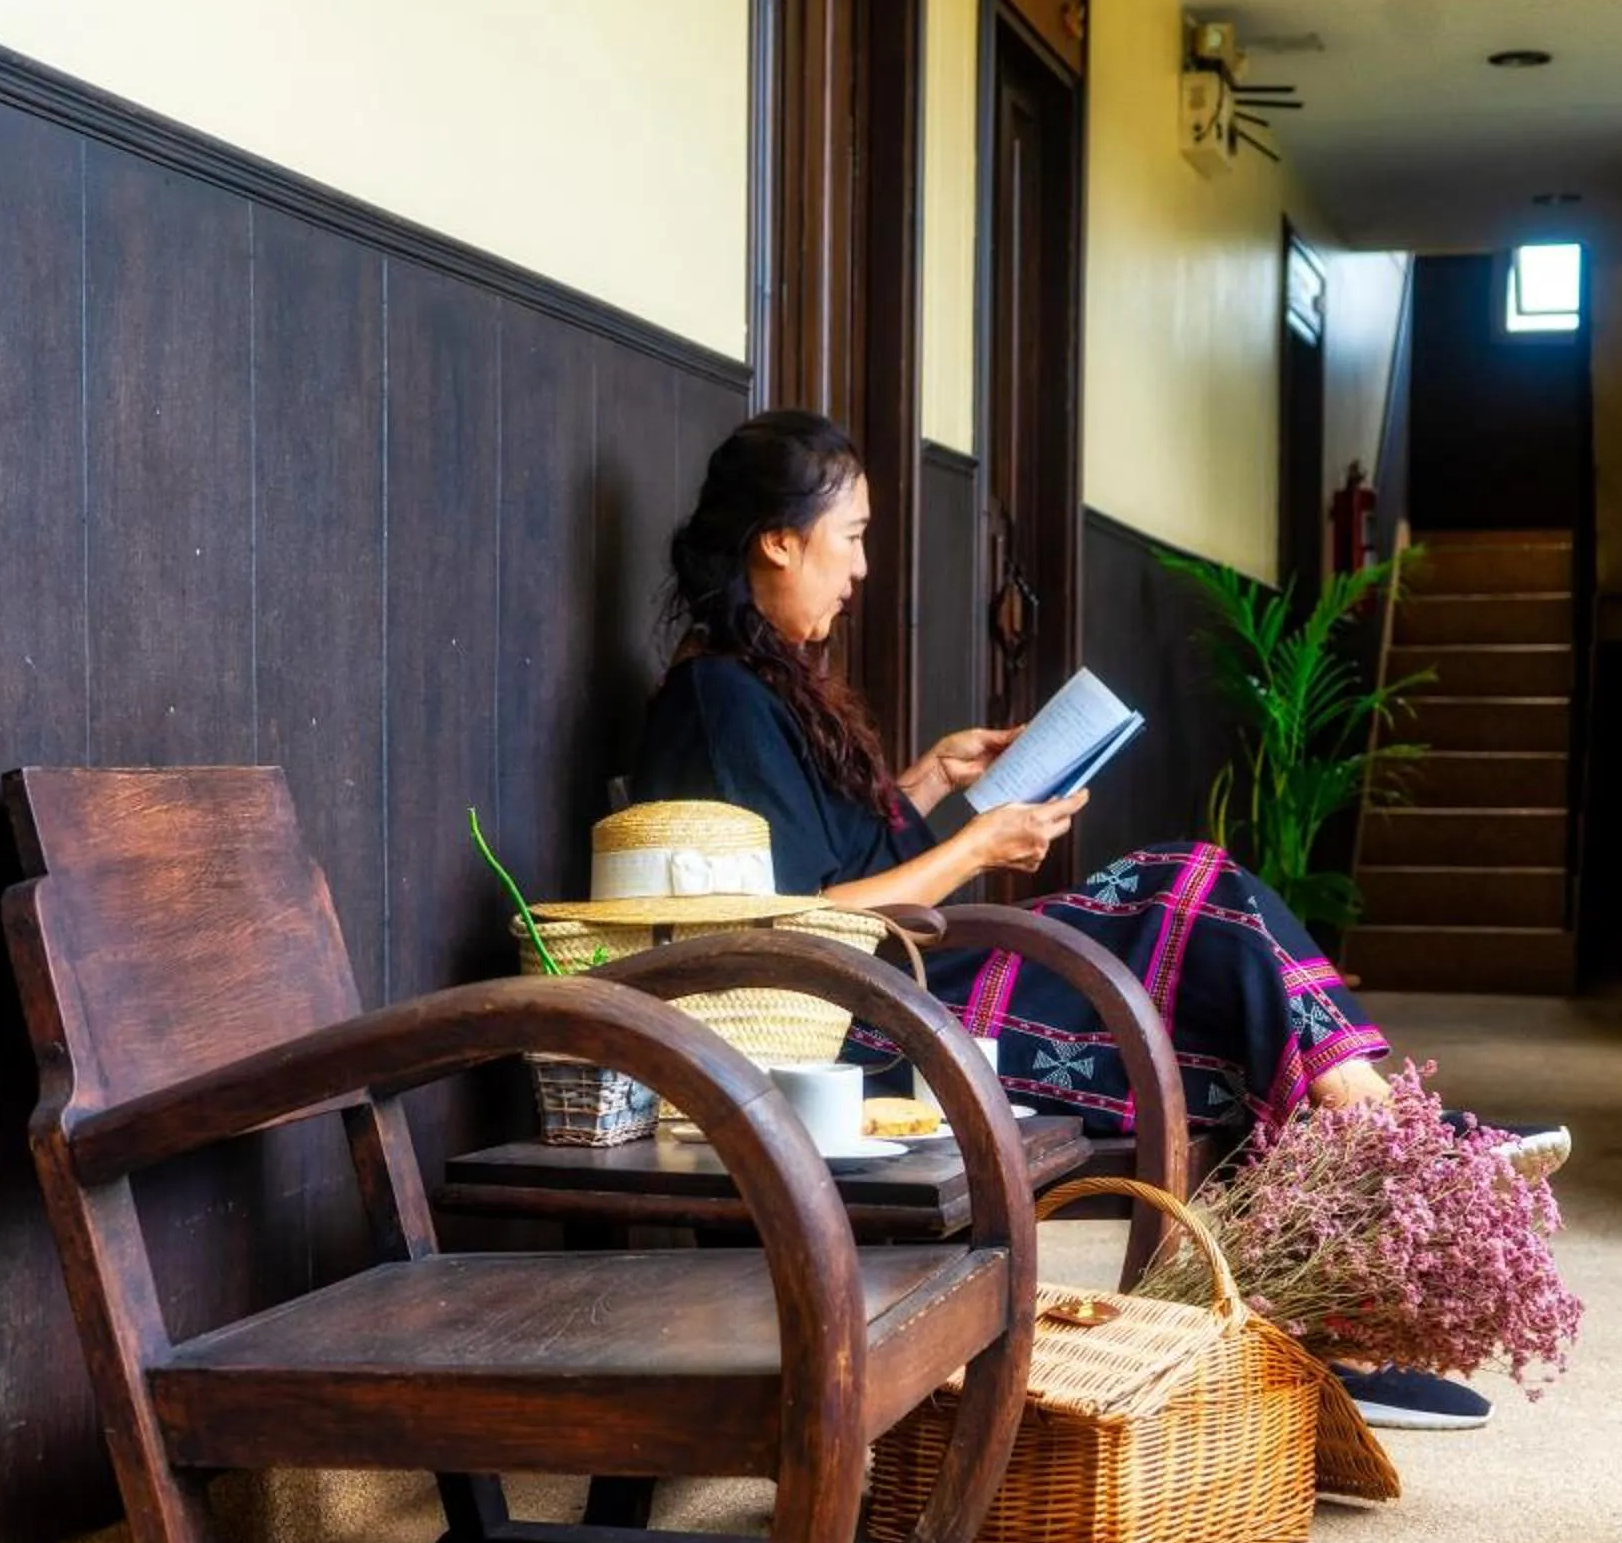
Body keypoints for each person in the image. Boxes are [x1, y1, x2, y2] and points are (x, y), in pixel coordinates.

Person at [631, 409, 1563, 1432]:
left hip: (898, 981)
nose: (859, 567)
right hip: (858, 1025)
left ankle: (1345, 1302)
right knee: (1188, 886)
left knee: (1213, 970)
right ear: (778, 539)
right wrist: (980, 846)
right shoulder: (718, 702)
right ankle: (1405, 1154)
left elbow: (840, 869)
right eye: (849, 536)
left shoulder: (766, 684)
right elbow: (790, 928)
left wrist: (935, 778)